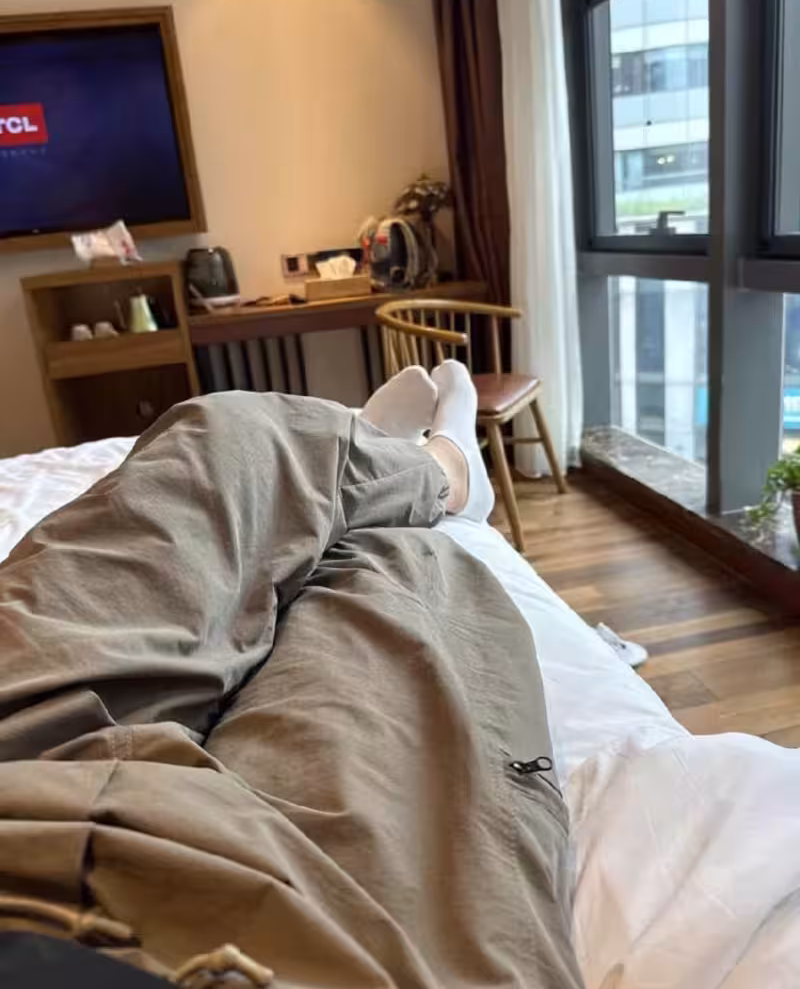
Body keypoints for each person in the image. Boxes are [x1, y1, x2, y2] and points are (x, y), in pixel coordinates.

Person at [0, 362, 584, 988]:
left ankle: (399, 465)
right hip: (292, 932)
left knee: (224, 435)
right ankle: (422, 472)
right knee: (396, 560)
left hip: (18, 785)